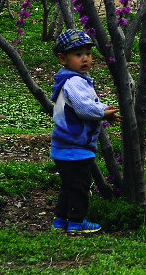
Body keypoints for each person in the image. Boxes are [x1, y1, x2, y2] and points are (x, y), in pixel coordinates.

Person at [49, 29, 119, 235]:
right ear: (63, 59)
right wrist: (103, 113)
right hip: (74, 146)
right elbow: (85, 108)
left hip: (65, 146)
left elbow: (88, 103)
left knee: (68, 185)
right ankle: (77, 223)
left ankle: (60, 220)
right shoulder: (74, 82)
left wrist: (104, 109)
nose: (85, 58)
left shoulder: (74, 80)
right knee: (79, 186)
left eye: (88, 53)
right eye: (78, 55)